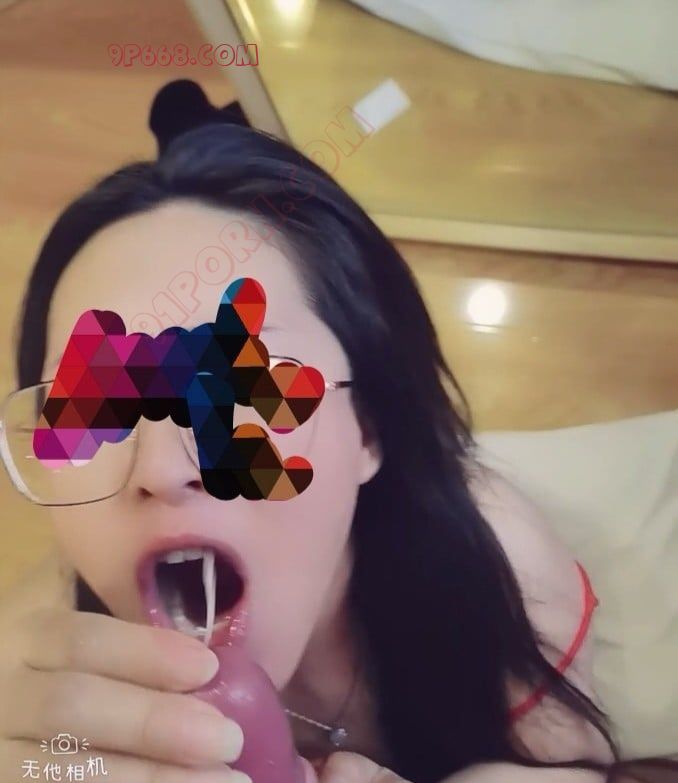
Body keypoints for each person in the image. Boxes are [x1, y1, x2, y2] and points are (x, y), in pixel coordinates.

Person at [0, 119, 646, 783]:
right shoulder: (39, 667)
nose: (161, 468)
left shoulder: (505, 583)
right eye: (92, 403)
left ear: (369, 426)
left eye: (241, 386)